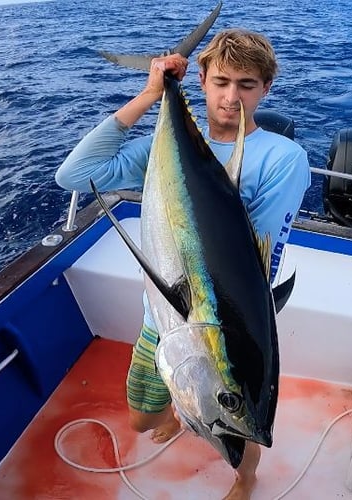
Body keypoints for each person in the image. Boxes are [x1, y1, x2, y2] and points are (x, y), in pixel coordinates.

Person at [55, 29, 311, 499]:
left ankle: (245, 478)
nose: (232, 98)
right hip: (166, 319)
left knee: (242, 419)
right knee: (142, 418)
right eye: (222, 82)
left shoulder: (284, 158)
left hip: (228, 326)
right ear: (203, 80)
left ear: (266, 89)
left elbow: (255, 258)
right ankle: (183, 407)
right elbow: (74, 174)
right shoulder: (159, 150)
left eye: (247, 85)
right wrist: (154, 93)